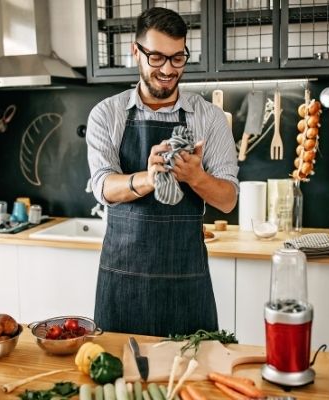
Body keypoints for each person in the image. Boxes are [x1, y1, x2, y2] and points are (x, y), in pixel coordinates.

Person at [86, 7, 238, 337]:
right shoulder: (107, 114)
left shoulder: (209, 118)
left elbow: (227, 200)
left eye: (177, 58)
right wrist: (149, 177)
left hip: (187, 282)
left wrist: (196, 177)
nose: (168, 70)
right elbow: (103, 187)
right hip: (122, 280)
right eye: (156, 58)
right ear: (135, 52)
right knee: (120, 381)